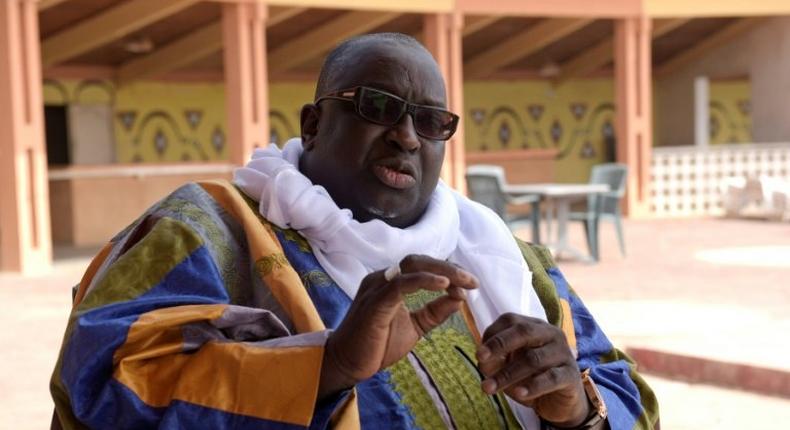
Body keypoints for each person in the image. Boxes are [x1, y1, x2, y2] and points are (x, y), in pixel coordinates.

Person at [50, 33, 658, 429]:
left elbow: (619, 387)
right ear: (313, 124)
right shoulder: (206, 230)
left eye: (430, 121)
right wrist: (329, 364)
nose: (407, 136)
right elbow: (104, 387)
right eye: (377, 106)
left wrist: (577, 409)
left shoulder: (504, 255)